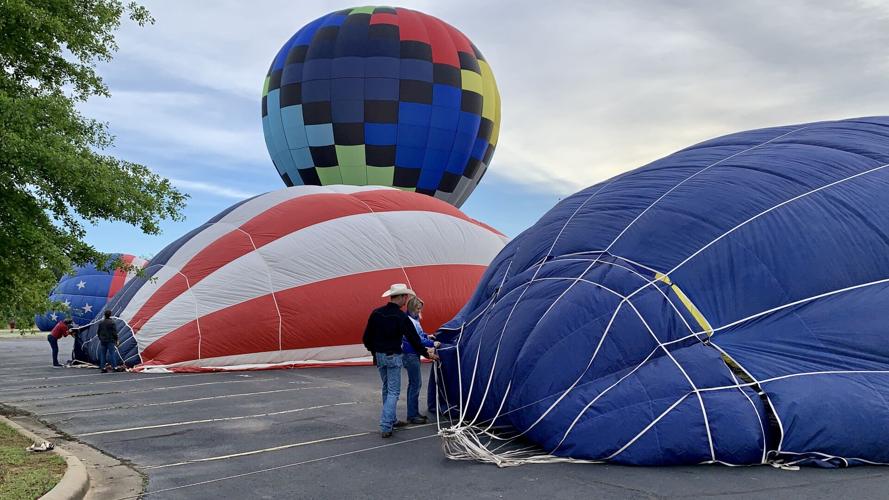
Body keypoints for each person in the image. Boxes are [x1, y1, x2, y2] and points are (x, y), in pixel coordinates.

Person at [363, 284, 437, 438]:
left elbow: (366, 338)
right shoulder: (401, 317)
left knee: (386, 388)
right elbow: (414, 339)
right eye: (406, 297)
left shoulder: (376, 313)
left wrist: (374, 352)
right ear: (402, 297)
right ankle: (386, 425)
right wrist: (426, 354)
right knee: (393, 392)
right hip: (393, 356)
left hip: (380, 356)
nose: (407, 300)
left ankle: (392, 419)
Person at [402, 297, 439, 425]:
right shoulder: (410, 321)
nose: (419, 311)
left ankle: (413, 412)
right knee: (415, 384)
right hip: (411, 354)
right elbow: (418, 340)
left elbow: (420, 336)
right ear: (412, 308)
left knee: (414, 384)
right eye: (418, 309)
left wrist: (428, 336)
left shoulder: (413, 320)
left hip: (412, 354)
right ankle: (412, 415)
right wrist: (433, 343)